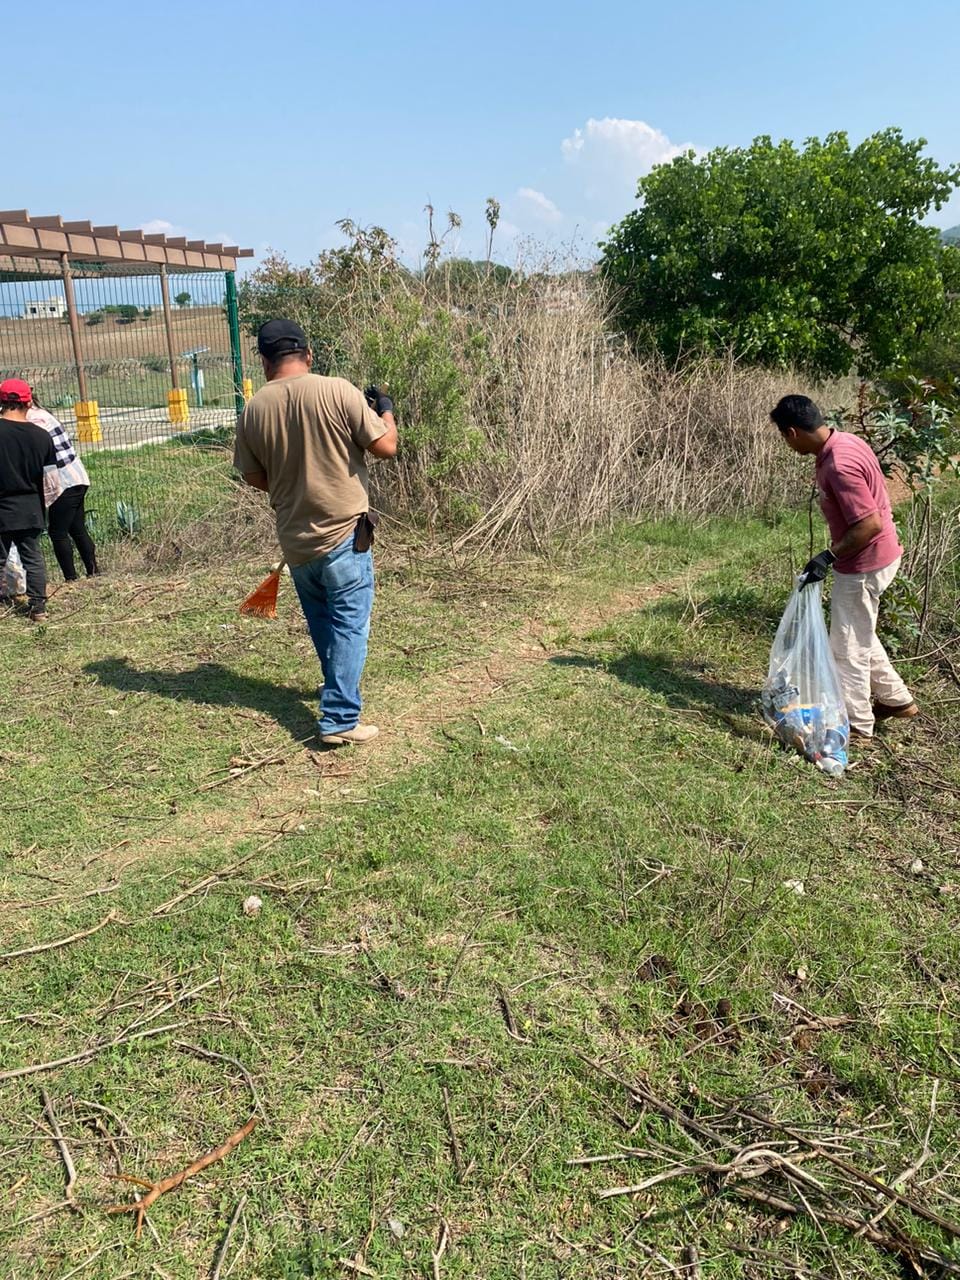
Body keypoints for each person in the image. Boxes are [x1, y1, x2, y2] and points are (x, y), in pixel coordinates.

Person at [234, 320, 398, 745]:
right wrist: (386, 408)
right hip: (345, 533)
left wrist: (292, 486)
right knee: (350, 625)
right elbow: (386, 447)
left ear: (265, 362)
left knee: (325, 624)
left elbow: (253, 476)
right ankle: (340, 717)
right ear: (308, 355)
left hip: (295, 540)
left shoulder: (253, 409)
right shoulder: (338, 390)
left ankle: (336, 691)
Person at [771, 393, 917, 739]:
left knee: (847, 647)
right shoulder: (847, 442)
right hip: (878, 557)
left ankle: (857, 725)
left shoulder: (839, 463)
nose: (787, 444)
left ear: (792, 433)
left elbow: (868, 525)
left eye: (783, 437)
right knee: (856, 630)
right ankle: (898, 701)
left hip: (865, 562)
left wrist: (829, 556)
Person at [0, 378, 61, 622]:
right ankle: (38, 609)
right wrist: (40, 504)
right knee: (32, 559)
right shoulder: (41, 436)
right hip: (30, 507)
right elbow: (52, 482)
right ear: (28, 401)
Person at [28, 391, 99, 581]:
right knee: (77, 528)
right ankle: (93, 573)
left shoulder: (34, 420)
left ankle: (71, 578)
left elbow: (37, 454)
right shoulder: (40, 413)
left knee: (57, 532)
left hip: (63, 481)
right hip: (76, 476)